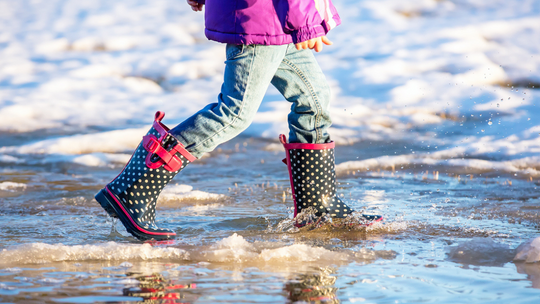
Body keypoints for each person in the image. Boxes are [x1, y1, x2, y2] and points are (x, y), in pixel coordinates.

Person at [94, 0, 382, 241]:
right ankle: (131, 189)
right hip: (267, 17)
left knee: (314, 100)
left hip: (274, 18)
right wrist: (305, 20)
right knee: (234, 112)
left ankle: (317, 209)